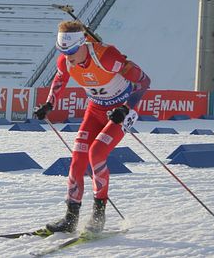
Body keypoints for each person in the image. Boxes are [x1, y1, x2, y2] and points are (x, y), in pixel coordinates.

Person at [34, 20, 150, 233]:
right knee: (78, 159)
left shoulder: (106, 56)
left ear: (83, 42)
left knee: (96, 154)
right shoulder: (66, 61)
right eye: (63, 50)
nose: (68, 56)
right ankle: (70, 218)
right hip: (95, 111)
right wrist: (49, 104)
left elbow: (144, 81)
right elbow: (59, 80)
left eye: (72, 50)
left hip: (120, 114)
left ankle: (98, 215)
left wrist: (125, 108)